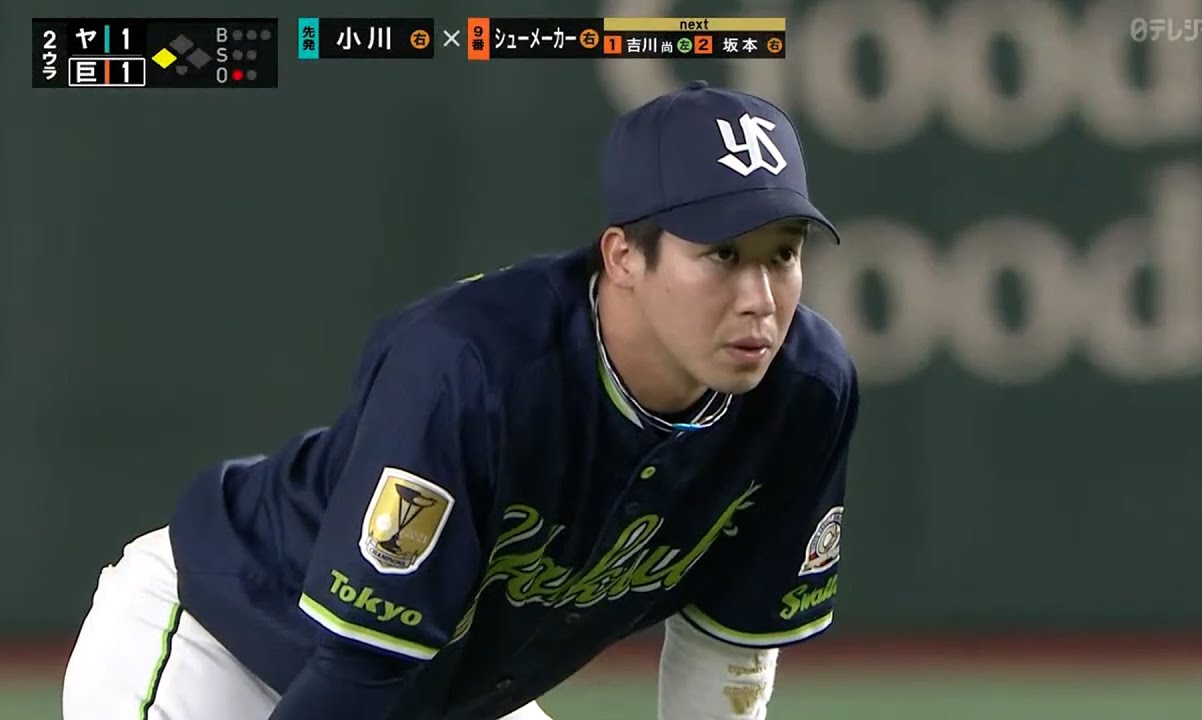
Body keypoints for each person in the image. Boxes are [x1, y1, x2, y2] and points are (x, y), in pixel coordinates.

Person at [61, 79, 859, 720]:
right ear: (622, 256)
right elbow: (358, 671)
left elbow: (728, 658)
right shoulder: (472, 370)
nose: (760, 298)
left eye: (782, 254)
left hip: (428, 691)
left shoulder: (805, 392)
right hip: (220, 643)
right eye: (722, 254)